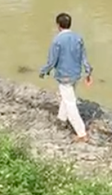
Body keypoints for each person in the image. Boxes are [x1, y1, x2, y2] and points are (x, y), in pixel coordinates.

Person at [39, 13, 93, 142]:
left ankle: (81, 133)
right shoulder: (78, 38)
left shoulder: (57, 40)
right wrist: (88, 72)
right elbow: (83, 57)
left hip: (64, 76)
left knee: (70, 103)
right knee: (67, 96)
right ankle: (61, 119)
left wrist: (43, 71)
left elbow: (52, 61)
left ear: (58, 25)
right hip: (75, 74)